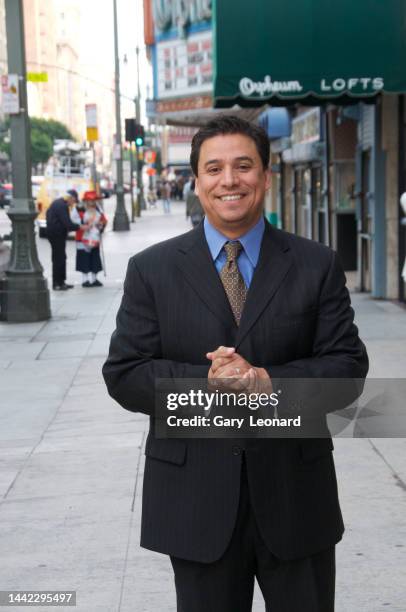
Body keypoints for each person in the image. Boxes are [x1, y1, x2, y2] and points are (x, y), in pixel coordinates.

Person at [103, 116, 368, 612]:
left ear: (266, 177)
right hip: (195, 499)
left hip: (295, 497)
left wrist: (267, 380)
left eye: (244, 166)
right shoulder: (151, 270)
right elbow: (124, 374)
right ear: (197, 179)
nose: (230, 180)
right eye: (215, 168)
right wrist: (203, 383)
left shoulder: (317, 264)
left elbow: (349, 369)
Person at [46, 189, 81, 290]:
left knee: (61, 257)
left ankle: (61, 282)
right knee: (59, 259)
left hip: (56, 235)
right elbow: (67, 224)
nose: (73, 204)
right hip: (57, 235)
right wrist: (79, 227)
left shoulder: (58, 203)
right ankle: (57, 283)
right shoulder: (62, 206)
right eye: (74, 201)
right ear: (71, 198)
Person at [71, 190, 107, 287]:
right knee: (84, 258)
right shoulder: (78, 208)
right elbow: (73, 220)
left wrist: (101, 225)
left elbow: (104, 220)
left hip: (94, 237)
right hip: (82, 237)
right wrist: (84, 223)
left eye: (94, 200)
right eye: (90, 200)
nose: (92, 203)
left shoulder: (98, 208)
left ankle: (94, 279)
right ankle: (85, 280)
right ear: (86, 200)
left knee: (95, 258)